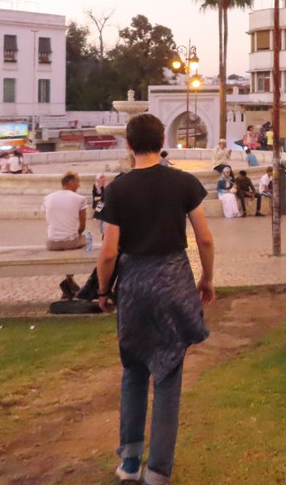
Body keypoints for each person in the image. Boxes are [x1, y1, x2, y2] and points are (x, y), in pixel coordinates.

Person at [96, 113, 214, 483]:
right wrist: (207, 279)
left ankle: (130, 463)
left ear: (128, 144)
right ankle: (159, 471)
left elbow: (109, 252)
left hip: (133, 286)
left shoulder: (117, 189)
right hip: (173, 282)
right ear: (163, 140)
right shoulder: (184, 182)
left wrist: (103, 291)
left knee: (133, 371)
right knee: (168, 376)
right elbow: (205, 238)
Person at [44, 171, 88, 299]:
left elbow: (49, 219)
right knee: (84, 240)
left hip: (52, 242)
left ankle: (69, 283)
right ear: (70, 183)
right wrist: (76, 234)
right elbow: (82, 227)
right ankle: (69, 279)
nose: (78, 185)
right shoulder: (80, 199)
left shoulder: (48, 198)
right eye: (77, 182)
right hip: (71, 241)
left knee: (69, 243)